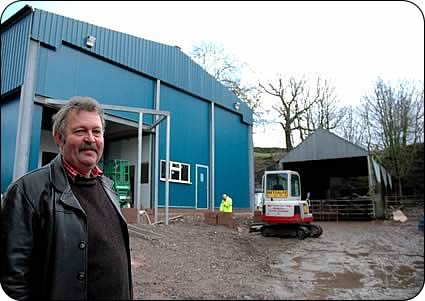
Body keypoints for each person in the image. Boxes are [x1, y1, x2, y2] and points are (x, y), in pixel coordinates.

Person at [0, 97, 133, 300]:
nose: (90, 138)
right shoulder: (27, 191)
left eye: (96, 132)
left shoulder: (108, 186)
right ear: (59, 138)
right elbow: (12, 282)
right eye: (80, 131)